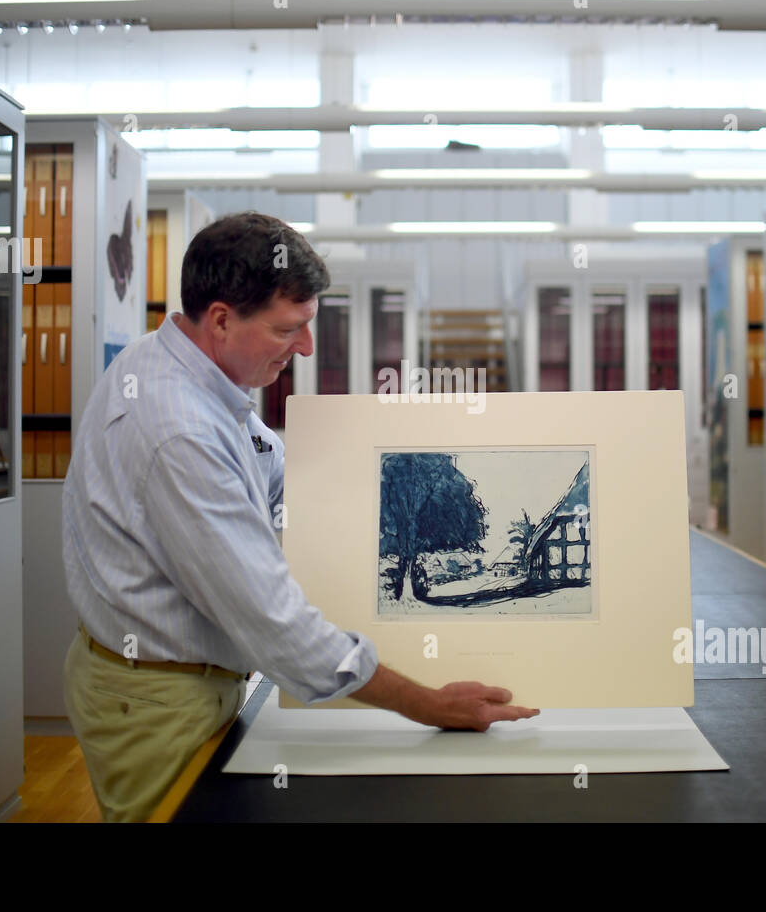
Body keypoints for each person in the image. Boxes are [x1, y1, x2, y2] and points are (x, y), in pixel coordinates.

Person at [61, 211, 538, 821]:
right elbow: (275, 625)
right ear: (222, 319)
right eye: (290, 329)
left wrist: (394, 471)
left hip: (182, 678)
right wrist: (430, 706)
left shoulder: (182, 370)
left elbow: (272, 467)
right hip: (156, 701)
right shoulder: (177, 428)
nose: (307, 348)